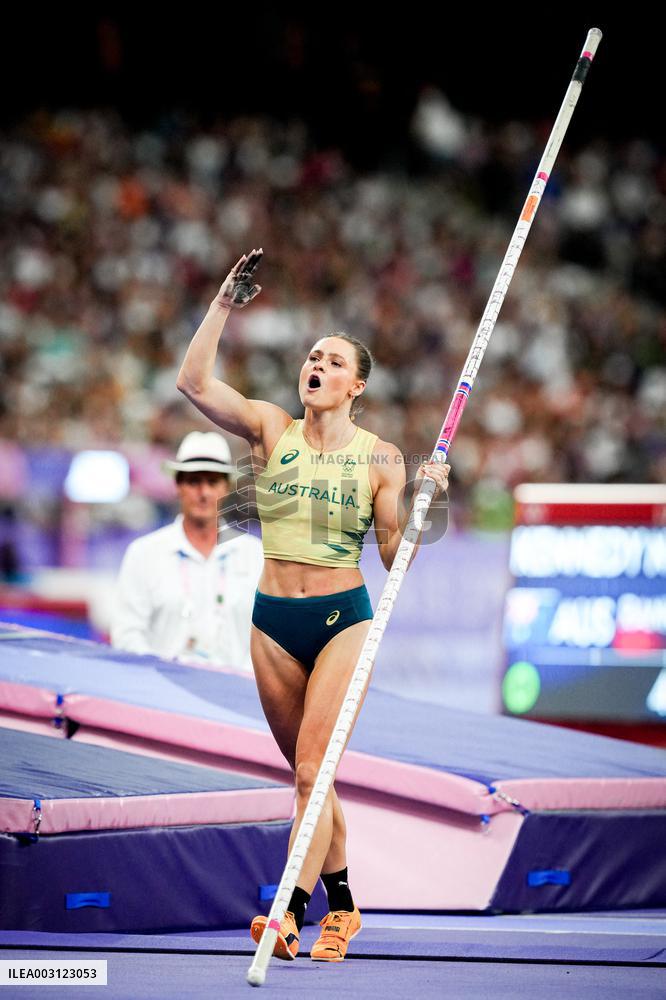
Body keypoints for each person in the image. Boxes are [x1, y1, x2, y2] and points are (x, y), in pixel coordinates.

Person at [177, 249, 449, 962]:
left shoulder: (379, 456)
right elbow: (192, 380)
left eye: (331, 360)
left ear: (355, 383)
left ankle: (288, 913)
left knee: (309, 772)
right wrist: (224, 303)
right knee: (311, 779)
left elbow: (394, 559)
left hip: (340, 623)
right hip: (272, 624)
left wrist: (428, 502)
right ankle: (347, 906)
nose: (315, 365)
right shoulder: (271, 428)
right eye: (310, 357)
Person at [111, 430, 264, 672]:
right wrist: (163, 680)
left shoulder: (254, 555)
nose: (203, 492)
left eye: (212, 482)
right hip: (163, 697)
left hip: (235, 695)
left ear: (226, 487)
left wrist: (242, 680)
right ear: (178, 485)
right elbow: (127, 635)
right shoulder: (144, 553)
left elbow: (268, 637)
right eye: (194, 482)